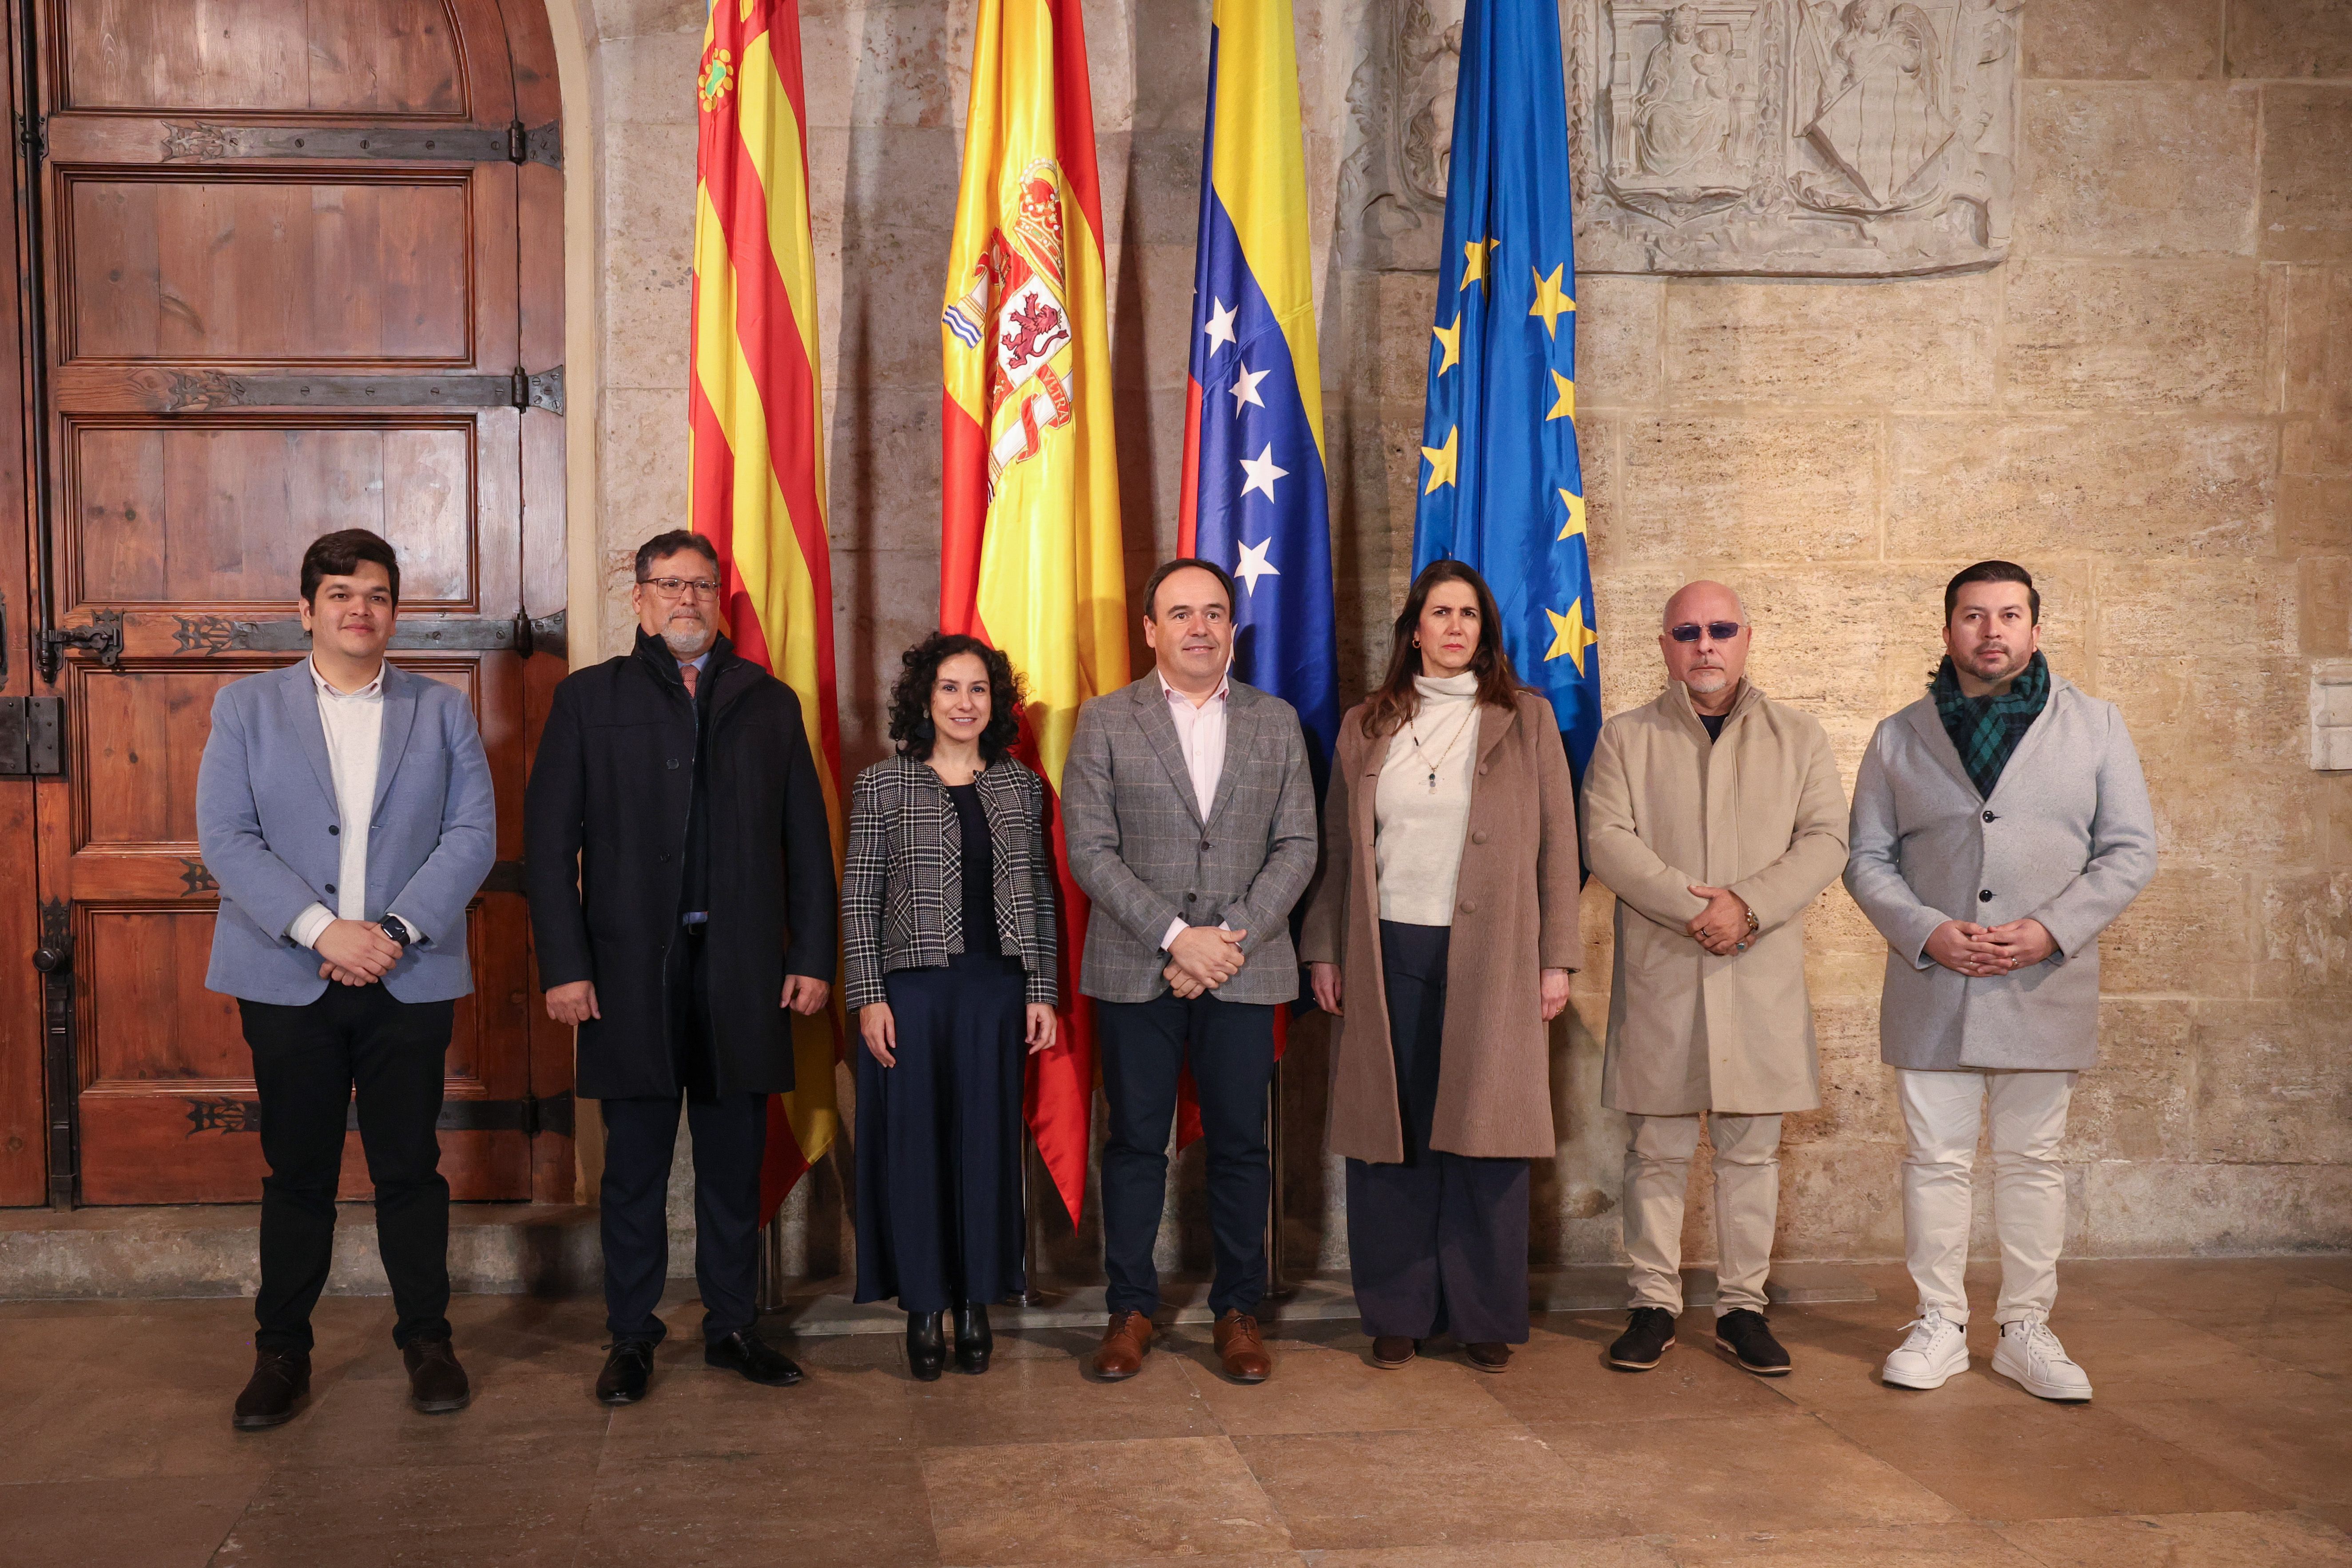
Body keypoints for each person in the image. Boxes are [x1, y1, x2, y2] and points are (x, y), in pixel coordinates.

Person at [523, 529, 838, 1405]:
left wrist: (811, 955)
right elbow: (548, 847)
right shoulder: (588, 699)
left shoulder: (768, 701)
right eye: (668, 585)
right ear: (638, 599)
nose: (685, 599)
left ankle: (732, 1326)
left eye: (700, 585)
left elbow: (807, 844)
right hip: (626, 974)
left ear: (718, 600)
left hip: (744, 970)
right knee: (634, 1169)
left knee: (734, 1164)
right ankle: (631, 1334)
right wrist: (565, 966)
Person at [196, 528, 497, 1430]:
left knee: (411, 1167)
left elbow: (472, 835)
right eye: (339, 594)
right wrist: (325, 930)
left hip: (410, 973)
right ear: (307, 610)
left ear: (394, 613)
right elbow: (228, 838)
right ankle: (281, 1352)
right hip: (288, 974)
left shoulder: (441, 710)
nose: (358, 609)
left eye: (375, 595)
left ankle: (428, 1341)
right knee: (299, 1171)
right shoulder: (246, 708)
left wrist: (392, 933)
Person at [1847, 560, 2154, 1402]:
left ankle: (2026, 1329)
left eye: (2009, 615)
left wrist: (2050, 929)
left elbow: (2131, 850)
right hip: (1932, 986)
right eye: (1974, 616)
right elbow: (1867, 858)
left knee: (2033, 1161)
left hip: (2043, 984)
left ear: (2035, 628)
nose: (1992, 631)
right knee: (1934, 1162)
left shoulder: (2096, 725)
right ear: (1948, 630)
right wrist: (1927, 930)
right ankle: (1939, 1325)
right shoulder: (1898, 734)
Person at [1299, 561, 1580, 1374]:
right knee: (1390, 1136)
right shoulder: (1368, 723)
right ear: (1414, 630)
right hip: (1386, 949)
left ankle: (1484, 1314)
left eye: (1469, 614)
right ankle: (1397, 1311)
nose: (1455, 627)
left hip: (1495, 956)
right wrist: (1324, 947)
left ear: (1485, 632)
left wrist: (1556, 960)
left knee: (1487, 1134)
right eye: (1440, 613)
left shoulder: (1526, 719)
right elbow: (1339, 846)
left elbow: (1560, 846)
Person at [1581, 582, 1848, 1378]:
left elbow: (1827, 840)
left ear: (1746, 639)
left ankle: (1742, 1309)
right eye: (1688, 631)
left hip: (1757, 970)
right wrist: (1695, 908)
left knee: (1751, 1152)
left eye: (1721, 630)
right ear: (1665, 645)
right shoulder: (1626, 737)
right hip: (1664, 969)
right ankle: (1653, 1303)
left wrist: (1748, 907)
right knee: (1656, 1148)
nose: (1706, 644)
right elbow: (1606, 839)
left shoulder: (1798, 736)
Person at [1062, 557, 1319, 1384]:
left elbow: (1299, 846)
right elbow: (1090, 850)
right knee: (1136, 1143)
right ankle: (1131, 1309)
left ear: (1232, 628)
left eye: (1213, 612)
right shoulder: (1105, 720)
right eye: (1180, 614)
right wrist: (1178, 939)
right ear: (1150, 629)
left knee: (1241, 1144)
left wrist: (1222, 942)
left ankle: (1239, 1311)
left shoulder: (1277, 722)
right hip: (1137, 968)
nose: (1199, 627)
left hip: (1244, 967)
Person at [843, 634, 1060, 1381]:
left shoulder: (1022, 788)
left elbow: (1038, 895)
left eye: (978, 689)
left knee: (986, 1147)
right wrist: (868, 996)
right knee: (917, 1149)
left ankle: (976, 1301)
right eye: (949, 688)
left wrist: (1041, 990)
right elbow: (859, 900)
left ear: (995, 703)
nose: (965, 703)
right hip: (913, 993)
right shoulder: (882, 785)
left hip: (995, 991)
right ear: (924, 700)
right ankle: (924, 1305)